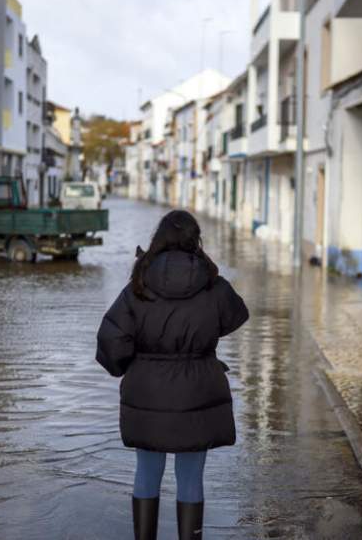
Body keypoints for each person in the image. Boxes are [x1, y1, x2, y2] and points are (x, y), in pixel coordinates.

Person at [96, 210, 249, 540]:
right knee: (191, 478)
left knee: (147, 472)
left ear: (159, 239)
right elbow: (237, 314)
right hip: (198, 391)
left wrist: (127, 367)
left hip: (147, 393)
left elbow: (111, 339)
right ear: (196, 241)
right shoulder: (212, 285)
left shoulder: (139, 284)